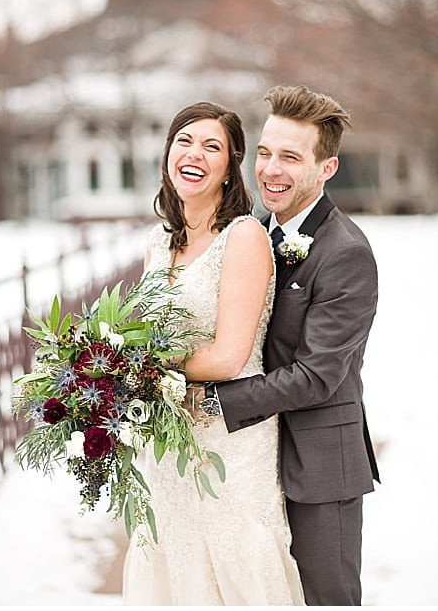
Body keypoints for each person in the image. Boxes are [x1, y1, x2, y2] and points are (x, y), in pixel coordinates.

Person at [192, 85, 379, 605]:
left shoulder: (347, 254)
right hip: (251, 459)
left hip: (318, 466)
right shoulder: (248, 233)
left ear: (327, 168)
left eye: (290, 158)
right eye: (266, 153)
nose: (270, 169)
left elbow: (317, 375)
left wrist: (212, 399)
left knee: (325, 600)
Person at [122, 101, 305, 605]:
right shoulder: (157, 245)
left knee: (235, 566)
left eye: (212, 147)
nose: (194, 153)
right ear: (167, 155)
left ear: (231, 166)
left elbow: (228, 356)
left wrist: (140, 369)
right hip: (167, 440)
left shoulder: (243, 237)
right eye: (184, 140)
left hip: (230, 440)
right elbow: (144, 332)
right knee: (174, 563)